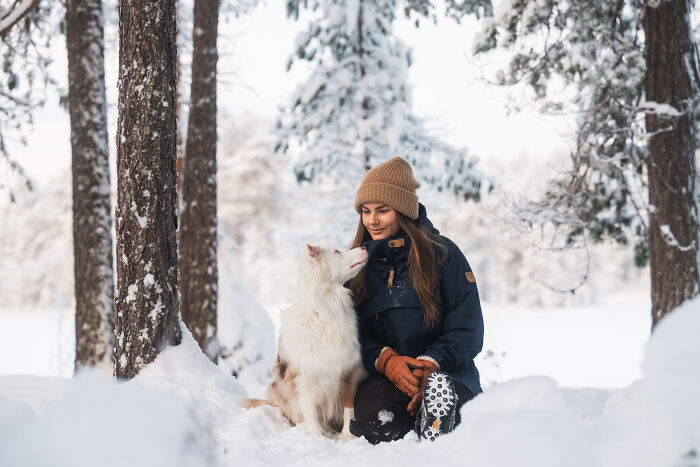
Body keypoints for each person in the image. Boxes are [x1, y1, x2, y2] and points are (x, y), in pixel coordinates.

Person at [347, 156, 484, 444]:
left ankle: (437, 419)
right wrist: (385, 361)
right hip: (387, 378)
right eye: (366, 211)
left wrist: (430, 364)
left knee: (450, 403)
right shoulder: (358, 265)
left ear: (403, 210)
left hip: (447, 373)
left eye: (383, 210)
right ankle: (421, 428)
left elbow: (467, 328)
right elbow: (352, 333)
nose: (372, 220)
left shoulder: (444, 255)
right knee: (375, 418)